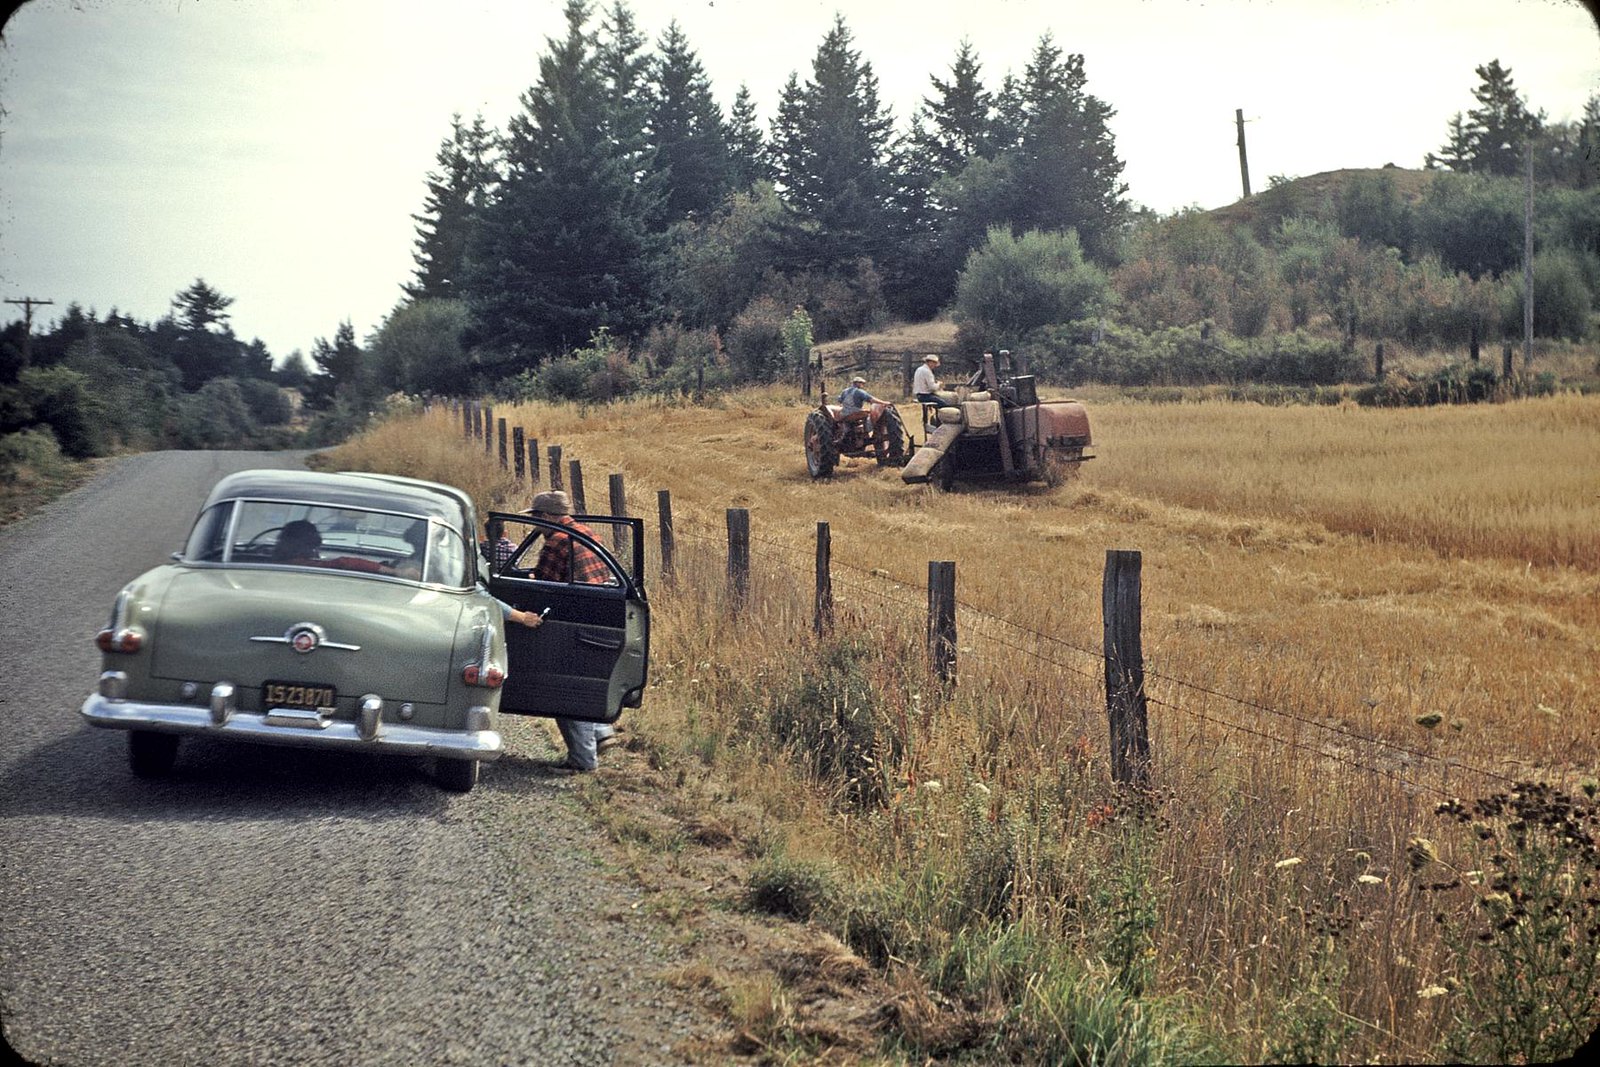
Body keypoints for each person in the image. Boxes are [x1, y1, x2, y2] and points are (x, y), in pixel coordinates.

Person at [524, 489, 619, 772]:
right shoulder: (590, 534)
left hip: (570, 621)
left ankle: (582, 760)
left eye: (536, 517)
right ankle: (601, 732)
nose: (535, 524)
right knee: (585, 683)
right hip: (598, 618)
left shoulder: (556, 541)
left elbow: (542, 586)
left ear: (545, 516)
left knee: (563, 689)